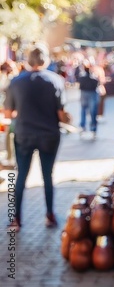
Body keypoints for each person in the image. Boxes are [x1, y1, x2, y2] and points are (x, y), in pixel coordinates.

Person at [4, 43, 69, 231]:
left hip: (24, 134)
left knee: (21, 176)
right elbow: (61, 114)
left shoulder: (16, 82)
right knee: (47, 175)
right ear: (45, 60)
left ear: (27, 60)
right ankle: (49, 215)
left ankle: (15, 219)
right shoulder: (55, 80)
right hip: (49, 135)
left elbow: (8, 114)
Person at [76, 59, 100, 138]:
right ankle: (89, 127)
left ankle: (86, 127)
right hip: (89, 94)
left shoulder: (85, 77)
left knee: (87, 111)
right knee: (90, 111)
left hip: (86, 93)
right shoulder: (90, 77)